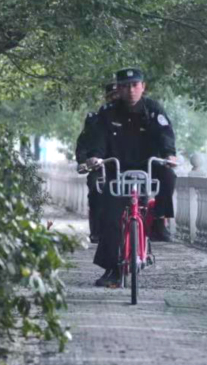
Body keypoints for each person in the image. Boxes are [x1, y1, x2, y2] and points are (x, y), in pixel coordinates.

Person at [86, 67, 177, 287]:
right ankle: (112, 269)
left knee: (168, 174)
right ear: (118, 89)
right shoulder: (107, 112)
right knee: (112, 215)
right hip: (118, 169)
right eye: (125, 86)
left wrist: (169, 155)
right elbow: (97, 139)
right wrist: (95, 157)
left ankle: (158, 220)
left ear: (143, 87)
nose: (131, 90)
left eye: (135, 85)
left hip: (148, 167)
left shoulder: (153, 110)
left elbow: (165, 134)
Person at [75, 82, 119, 243]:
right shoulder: (95, 119)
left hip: (127, 165)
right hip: (101, 166)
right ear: (106, 98)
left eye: (117, 95)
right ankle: (97, 231)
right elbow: (83, 144)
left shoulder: (135, 116)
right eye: (111, 96)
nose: (115, 99)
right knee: (96, 188)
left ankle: (143, 229)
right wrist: (83, 161)